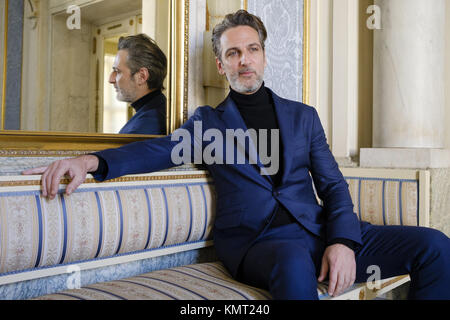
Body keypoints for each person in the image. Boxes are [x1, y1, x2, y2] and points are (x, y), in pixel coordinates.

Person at [23, 10, 450, 300]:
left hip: (318, 229)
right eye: (233, 53)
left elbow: (334, 186)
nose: (244, 60)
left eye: (251, 50)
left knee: (434, 246)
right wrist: (88, 162)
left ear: (263, 55)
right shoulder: (207, 123)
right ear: (220, 64)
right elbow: (161, 150)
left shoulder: (303, 117)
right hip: (262, 244)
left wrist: (340, 240)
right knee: (290, 261)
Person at [110, 34, 167, 135]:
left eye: (117, 71)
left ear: (142, 76)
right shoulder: (159, 110)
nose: (111, 79)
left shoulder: (144, 126)